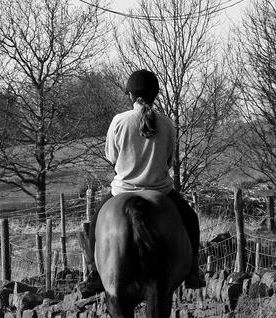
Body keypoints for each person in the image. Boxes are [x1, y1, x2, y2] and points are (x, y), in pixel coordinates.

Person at [86, 69, 206, 290]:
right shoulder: (168, 124)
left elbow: (111, 157)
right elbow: (169, 161)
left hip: (122, 191)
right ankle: (192, 271)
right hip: (160, 191)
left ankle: (94, 274)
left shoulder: (119, 121)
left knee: (94, 223)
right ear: (155, 95)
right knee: (190, 219)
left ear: (130, 95)